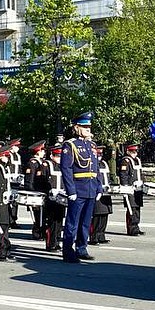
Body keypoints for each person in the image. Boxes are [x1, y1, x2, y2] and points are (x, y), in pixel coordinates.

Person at [61, 112, 101, 263]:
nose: (88, 129)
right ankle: (68, 251)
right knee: (73, 222)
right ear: (77, 128)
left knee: (85, 222)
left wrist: (99, 187)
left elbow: (96, 168)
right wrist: (70, 190)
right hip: (78, 189)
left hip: (90, 188)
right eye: (85, 127)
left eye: (89, 127)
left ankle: (81, 248)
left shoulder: (92, 145)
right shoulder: (70, 145)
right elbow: (66, 168)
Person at [118, 142, 145, 236]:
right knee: (131, 209)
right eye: (132, 151)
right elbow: (123, 175)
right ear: (128, 151)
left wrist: (143, 182)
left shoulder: (137, 160)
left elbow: (140, 173)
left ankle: (136, 227)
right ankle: (131, 229)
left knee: (137, 209)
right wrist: (125, 186)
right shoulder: (125, 161)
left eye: (136, 151)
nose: (135, 153)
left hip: (138, 188)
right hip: (130, 189)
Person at [90, 145, 114, 245]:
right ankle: (94, 237)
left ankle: (101, 235)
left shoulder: (104, 163)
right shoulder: (91, 163)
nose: (100, 155)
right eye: (98, 153)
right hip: (97, 192)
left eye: (101, 153)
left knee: (104, 214)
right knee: (96, 215)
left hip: (106, 192)